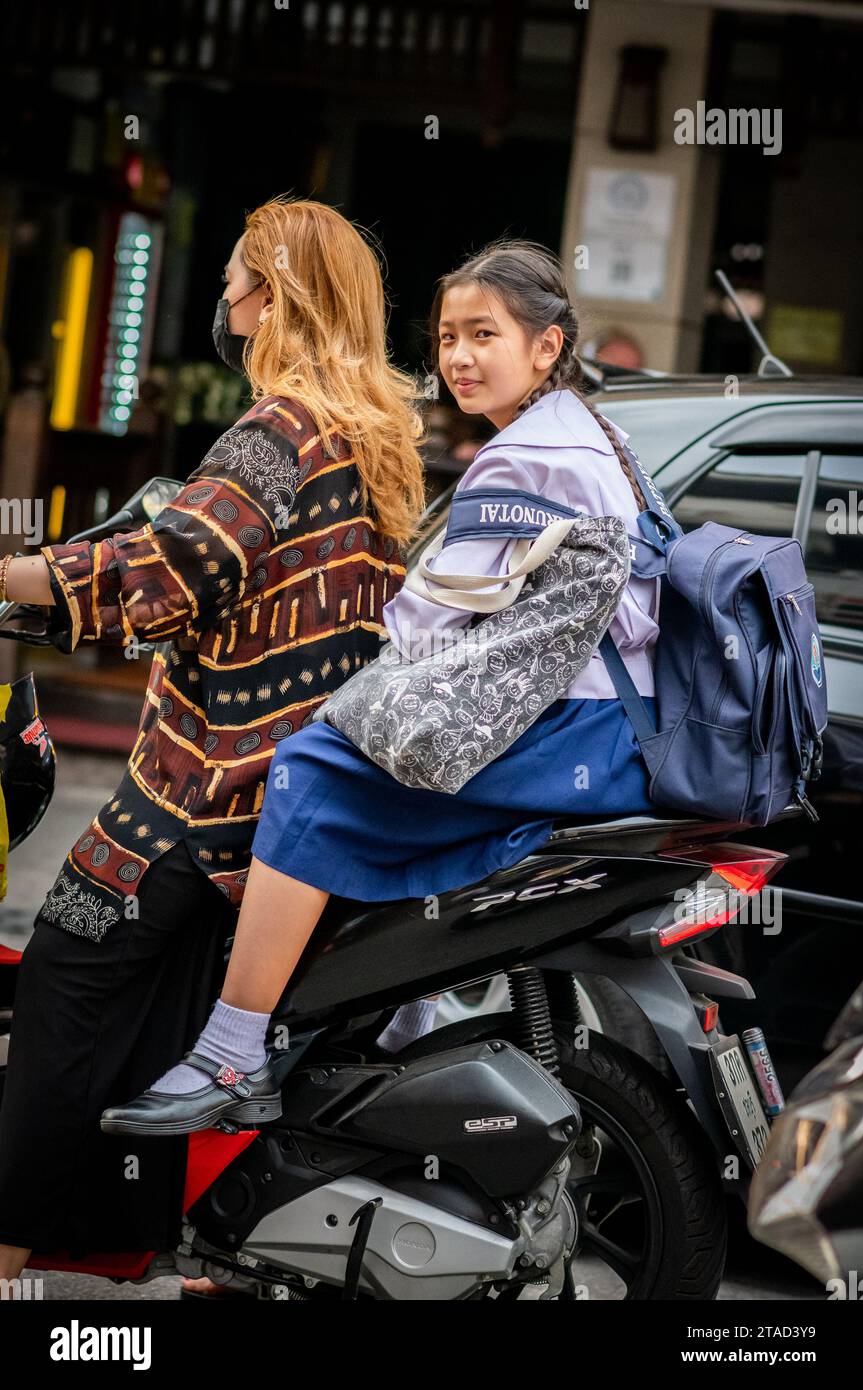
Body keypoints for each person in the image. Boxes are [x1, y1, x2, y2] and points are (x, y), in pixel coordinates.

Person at [99, 237, 662, 1139]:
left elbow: (422, 631)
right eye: (446, 338)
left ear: (547, 347)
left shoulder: (523, 461)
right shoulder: (595, 434)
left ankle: (234, 1049)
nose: (460, 358)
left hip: (570, 731)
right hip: (609, 729)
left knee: (311, 771)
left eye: (485, 334)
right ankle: (405, 1008)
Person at [0, 195, 437, 1291]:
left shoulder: (279, 431)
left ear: (274, 299)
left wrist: (13, 579)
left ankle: (9, 1254)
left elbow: (165, 566)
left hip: (196, 790)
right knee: (164, 1009)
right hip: (289, 798)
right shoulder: (376, 436)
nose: (225, 298)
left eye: (240, 278)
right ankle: (153, 1247)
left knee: (63, 982)